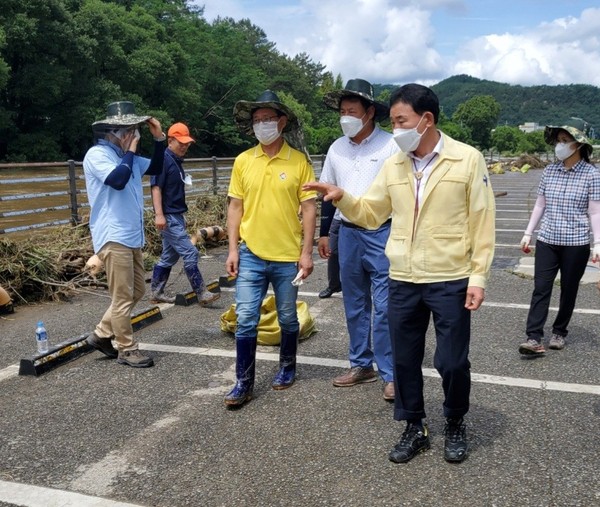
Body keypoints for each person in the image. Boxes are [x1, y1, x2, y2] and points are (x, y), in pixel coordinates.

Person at [305, 83, 496, 463]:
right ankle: (414, 426)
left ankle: (455, 420)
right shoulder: (395, 163)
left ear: (426, 120)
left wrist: (478, 277)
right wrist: (343, 197)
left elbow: (482, 221)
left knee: (452, 361)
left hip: (450, 276)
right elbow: (373, 211)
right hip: (403, 276)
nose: (395, 130)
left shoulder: (466, 159)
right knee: (405, 359)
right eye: (392, 122)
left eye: (400, 120)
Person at [223, 90, 317, 407]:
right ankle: (243, 383)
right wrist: (232, 249)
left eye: (268, 119)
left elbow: (308, 210)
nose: (262, 125)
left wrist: (307, 253)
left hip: (288, 257)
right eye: (257, 120)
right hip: (250, 253)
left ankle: (287, 367)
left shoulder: (299, 162)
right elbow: (235, 207)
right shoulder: (243, 161)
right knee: (246, 317)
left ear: (282, 121)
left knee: (288, 318)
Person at [318, 78, 399, 401]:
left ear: (369, 113)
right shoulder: (336, 148)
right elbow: (326, 191)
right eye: (342, 112)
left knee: (384, 305)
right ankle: (361, 363)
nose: (345, 117)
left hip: (383, 231)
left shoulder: (391, 145)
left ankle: (390, 373)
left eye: (352, 111)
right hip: (347, 231)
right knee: (354, 302)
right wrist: (325, 233)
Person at [84, 101, 166, 368]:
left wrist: (159, 138)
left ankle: (100, 334)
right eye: (129, 130)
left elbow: (156, 167)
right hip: (113, 235)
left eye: (134, 130)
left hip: (131, 235)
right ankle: (127, 349)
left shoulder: (124, 157)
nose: (133, 136)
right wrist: (130, 151)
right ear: (114, 132)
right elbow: (118, 180)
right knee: (122, 297)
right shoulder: (98, 155)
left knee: (138, 290)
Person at [519, 123, 600, 355]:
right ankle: (533, 337)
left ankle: (559, 331)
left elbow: (595, 211)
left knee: (568, 289)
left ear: (578, 145)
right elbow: (540, 205)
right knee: (541, 288)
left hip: (576, 243)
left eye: (565, 140)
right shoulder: (549, 171)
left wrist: (598, 244)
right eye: (558, 141)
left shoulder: (591, 175)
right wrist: (528, 233)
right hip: (547, 240)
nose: (559, 145)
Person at [149, 122, 220, 306]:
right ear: (170, 140)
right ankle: (202, 293)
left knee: (169, 256)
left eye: (187, 143)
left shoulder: (175, 160)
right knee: (190, 253)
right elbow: (156, 187)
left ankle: (157, 292)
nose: (185, 146)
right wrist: (159, 215)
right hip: (168, 217)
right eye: (181, 142)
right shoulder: (163, 159)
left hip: (176, 215)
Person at [317, 199, 342, 299]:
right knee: (333, 252)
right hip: (338, 218)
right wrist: (323, 233)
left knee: (353, 257)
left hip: (362, 219)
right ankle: (334, 285)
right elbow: (326, 199)